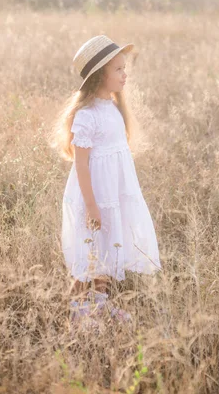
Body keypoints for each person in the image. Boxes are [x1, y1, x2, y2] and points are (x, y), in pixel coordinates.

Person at [50, 35, 162, 325]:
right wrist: (91, 206)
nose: (125, 75)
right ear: (101, 75)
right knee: (89, 251)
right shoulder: (86, 116)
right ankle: (76, 309)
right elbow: (82, 165)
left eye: (125, 68)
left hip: (115, 194)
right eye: (119, 70)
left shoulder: (113, 109)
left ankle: (101, 303)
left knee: (110, 246)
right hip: (95, 196)